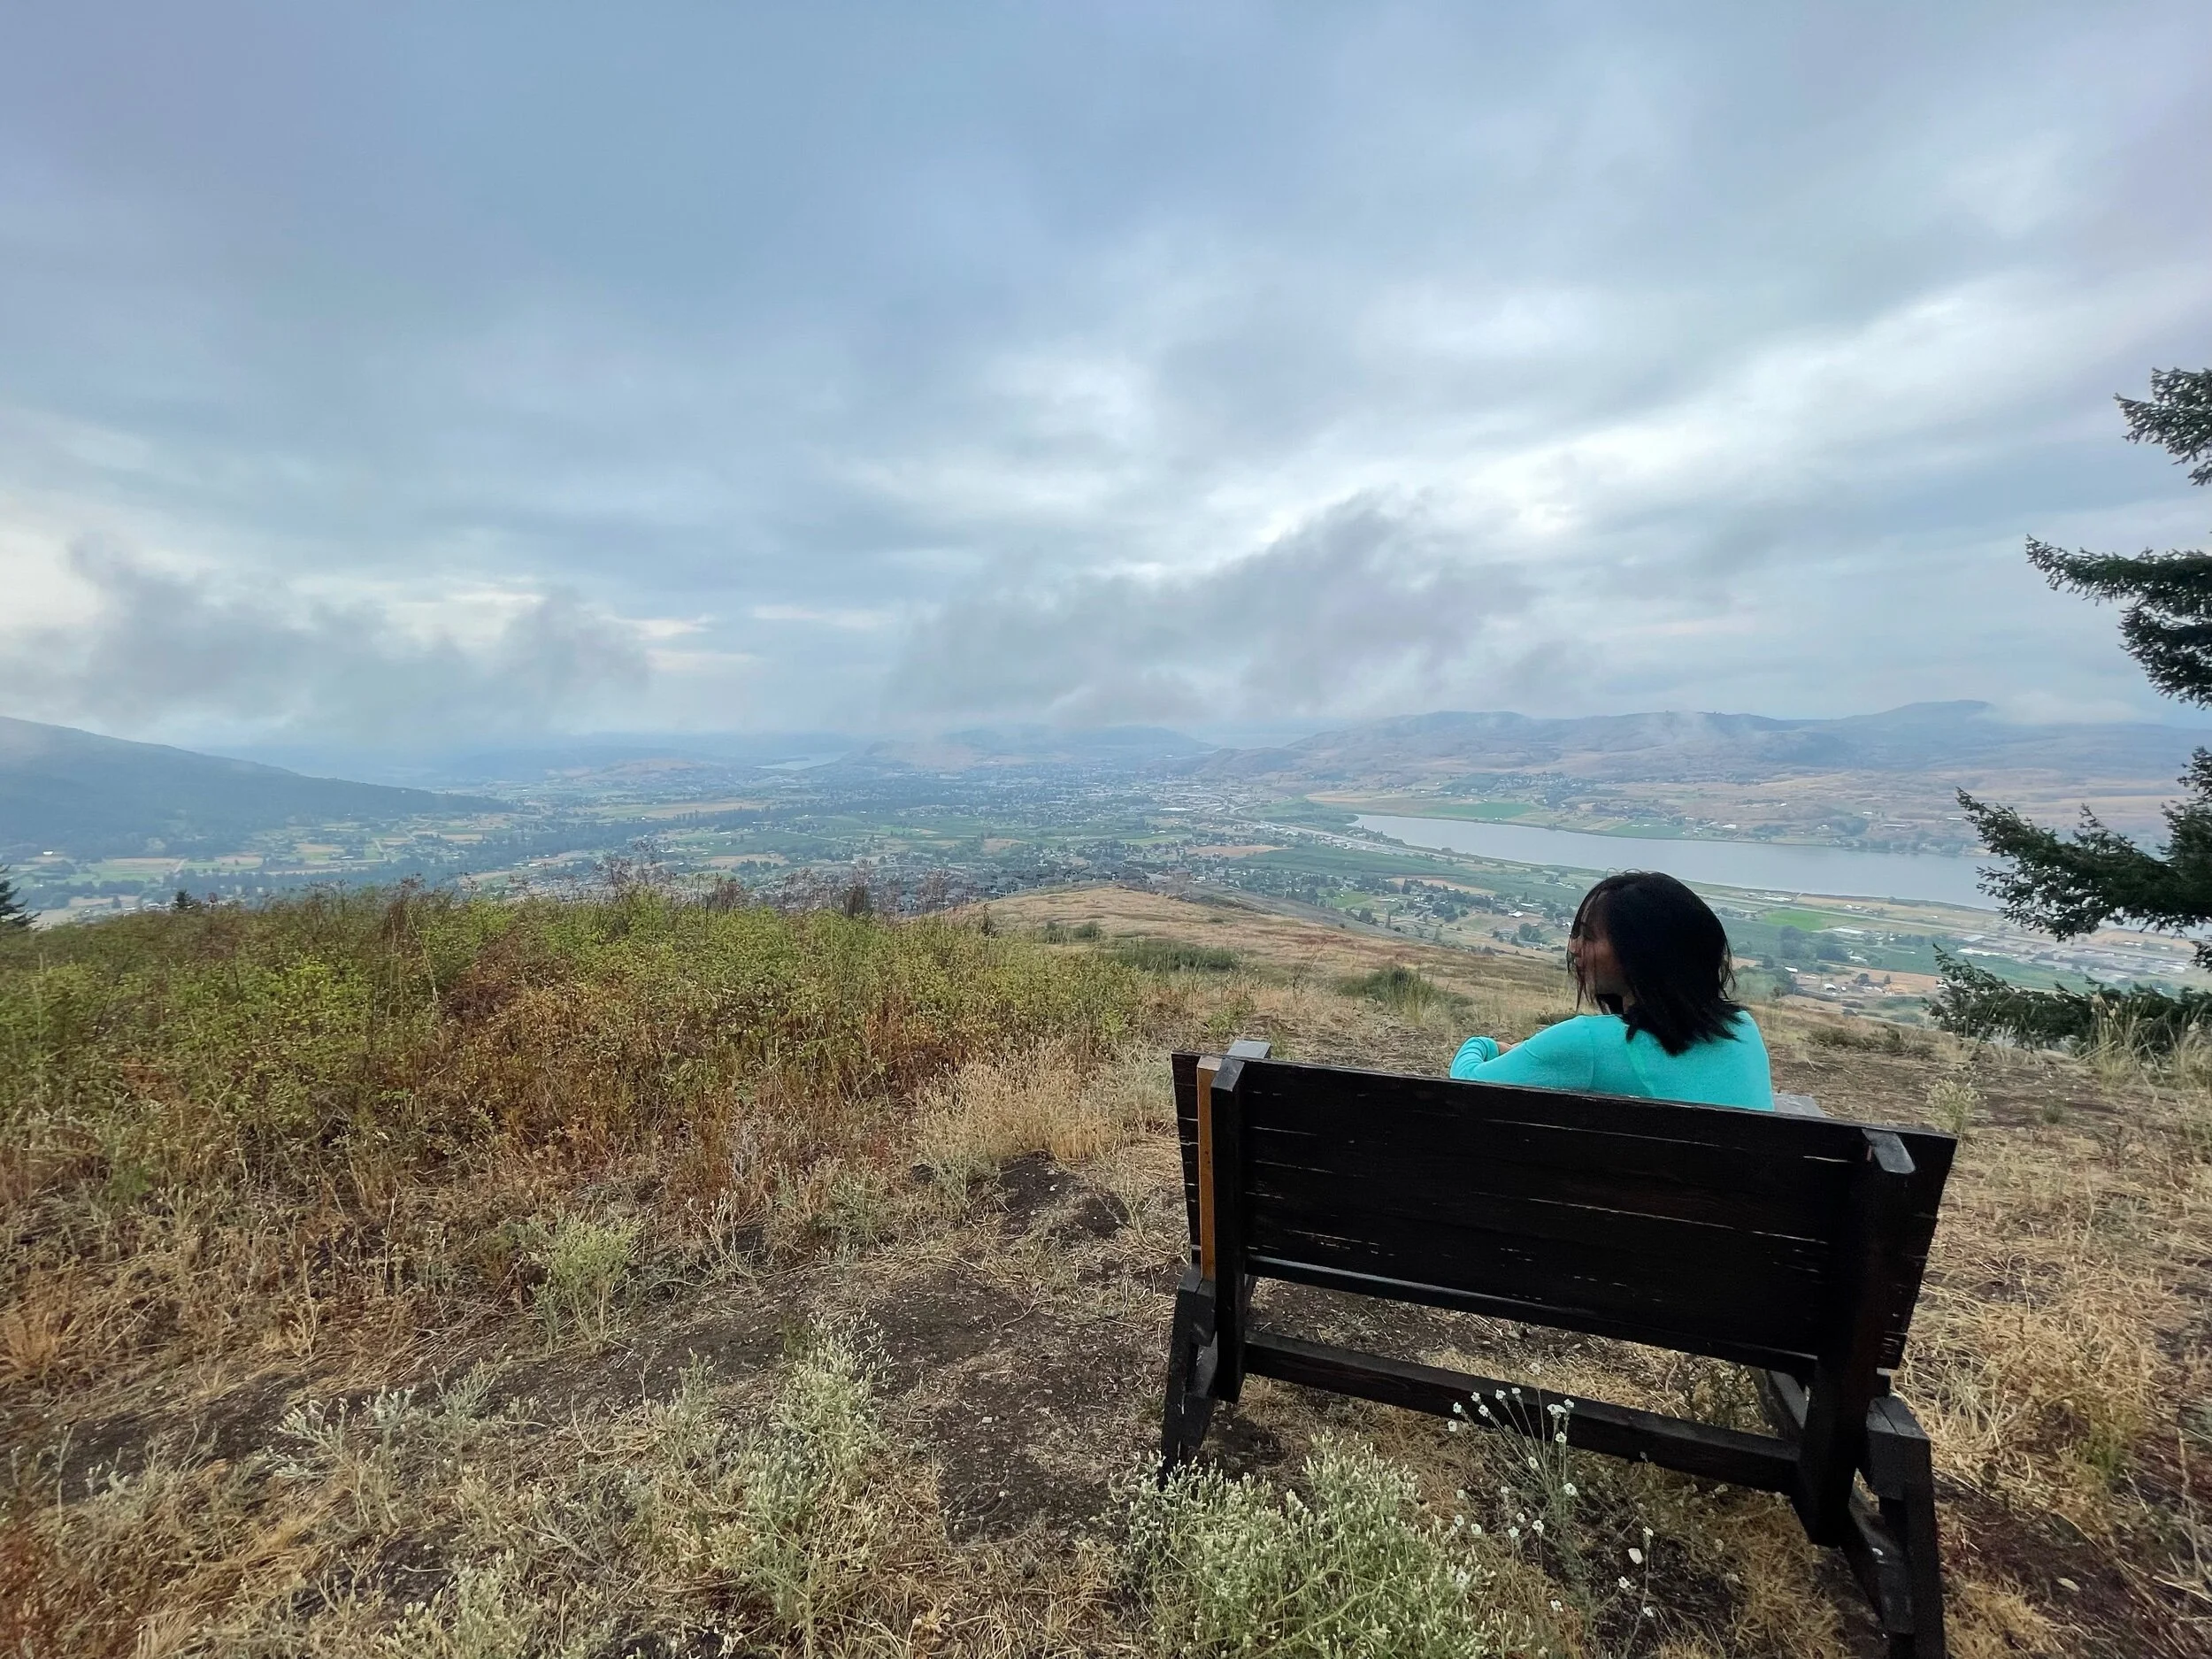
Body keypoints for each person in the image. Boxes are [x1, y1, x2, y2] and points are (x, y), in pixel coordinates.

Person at [1449, 871, 1774, 1110]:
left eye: (1588, 937)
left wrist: (1486, 1045)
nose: (1574, 948)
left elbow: (1468, 1085)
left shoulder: (1587, 1042)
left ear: (1639, 953)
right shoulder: (1743, 1028)